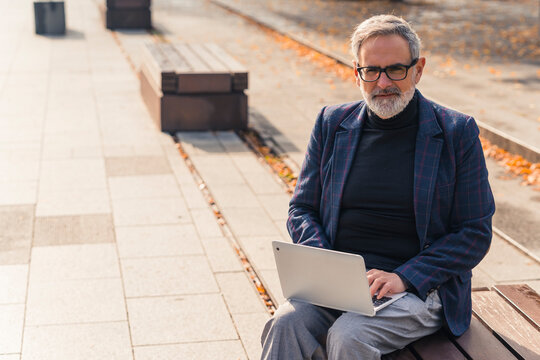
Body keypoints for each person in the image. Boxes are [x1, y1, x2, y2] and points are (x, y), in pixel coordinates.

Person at [260, 14, 495, 360]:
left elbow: (475, 232)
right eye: (372, 71)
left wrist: (405, 276)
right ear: (357, 72)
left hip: (417, 289)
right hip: (338, 286)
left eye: (396, 69)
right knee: (285, 325)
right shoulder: (331, 123)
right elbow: (302, 208)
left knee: (349, 335)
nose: (383, 82)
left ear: (418, 69)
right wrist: (326, 265)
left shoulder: (456, 133)